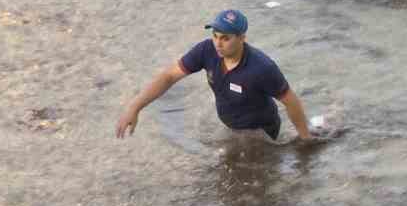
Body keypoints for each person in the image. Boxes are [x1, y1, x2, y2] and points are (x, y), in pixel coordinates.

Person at [115, 9, 318, 144]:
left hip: (262, 134)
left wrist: (305, 138)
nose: (218, 43)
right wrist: (134, 107)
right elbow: (169, 76)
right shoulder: (206, 51)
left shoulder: (262, 68)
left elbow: (290, 101)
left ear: (241, 38)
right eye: (215, 35)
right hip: (231, 127)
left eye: (225, 38)